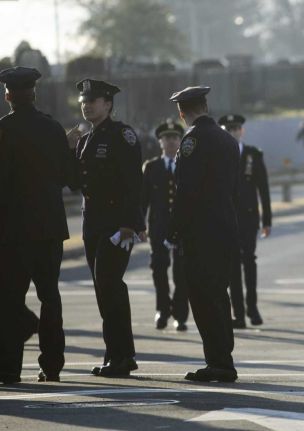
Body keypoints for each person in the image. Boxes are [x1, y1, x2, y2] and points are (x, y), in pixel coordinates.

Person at [66, 78, 145, 377]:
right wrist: (68, 149)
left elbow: (133, 183)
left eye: (93, 101)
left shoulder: (121, 135)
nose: (86, 105)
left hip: (116, 223)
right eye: (84, 101)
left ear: (108, 104)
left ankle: (122, 356)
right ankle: (118, 353)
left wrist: (130, 224)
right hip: (92, 223)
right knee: (104, 289)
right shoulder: (85, 140)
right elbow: (74, 182)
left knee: (110, 284)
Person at [0, 67, 73, 384]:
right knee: (50, 296)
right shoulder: (53, 128)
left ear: (7, 96)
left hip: (13, 230)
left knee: (10, 299)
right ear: (34, 93)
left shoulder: (2, 130)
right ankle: (53, 364)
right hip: (49, 227)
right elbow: (69, 177)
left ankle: (9, 367)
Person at [167, 86, 240, 382]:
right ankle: (224, 358)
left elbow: (187, 190)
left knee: (202, 296)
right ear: (206, 106)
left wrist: (175, 227)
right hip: (225, 226)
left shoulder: (193, 140)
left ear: (182, 112)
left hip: (201, 231)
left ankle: (218, 361)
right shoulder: (226, 138)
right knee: (219, 295)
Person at [219, 114, 272, 328]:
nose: (233, 132)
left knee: (249, 262)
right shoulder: (218, 155)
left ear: (242, 131)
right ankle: (238, 313)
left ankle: (252, 307)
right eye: (228, 129)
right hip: (227, 218)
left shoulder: (253, 155)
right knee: (232, 266)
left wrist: (267, 220)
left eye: (236, 128)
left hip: (249, 218)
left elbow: (264, 189)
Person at [141, 120, 189, 331]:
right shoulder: (151, 168)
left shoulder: (187, 165)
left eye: (175, 138)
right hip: (158, 227)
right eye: (167, 138)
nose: (171, 142)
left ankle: (180, 314)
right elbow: (143, 200)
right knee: (159, 270)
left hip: (182, 229)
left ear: (180, 141)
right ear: (160, 142)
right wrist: (139, 225)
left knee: (182, 273)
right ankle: (162, 309)